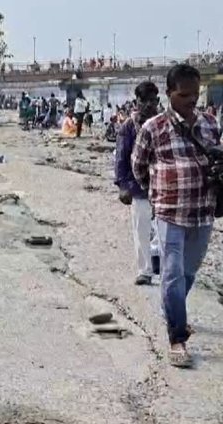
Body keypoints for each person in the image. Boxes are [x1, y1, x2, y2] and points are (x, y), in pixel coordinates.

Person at [132, 64, 222, 368]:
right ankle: (177, 338)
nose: (191, 100)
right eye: (184, 95)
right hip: (169, 212)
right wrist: (158, 192)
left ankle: (172, 307)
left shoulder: (210, 124)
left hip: (203, 212)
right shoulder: (152, 128)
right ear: (169, 93)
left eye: (195, 95)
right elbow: (138, 167)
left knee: (189, 271)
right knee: (171, 271)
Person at [114, 81, 162, 286]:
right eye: (145, 101)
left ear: (158, 101)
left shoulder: (164, 123)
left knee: (163, 229)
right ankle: (145, 270)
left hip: (162, 185)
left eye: (153, 100)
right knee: (141, 228)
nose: (149, 105)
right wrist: (122, 185)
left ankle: (161, 263)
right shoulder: (129, 126)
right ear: (137, 102)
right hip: (139, 186)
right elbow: (121, 157)